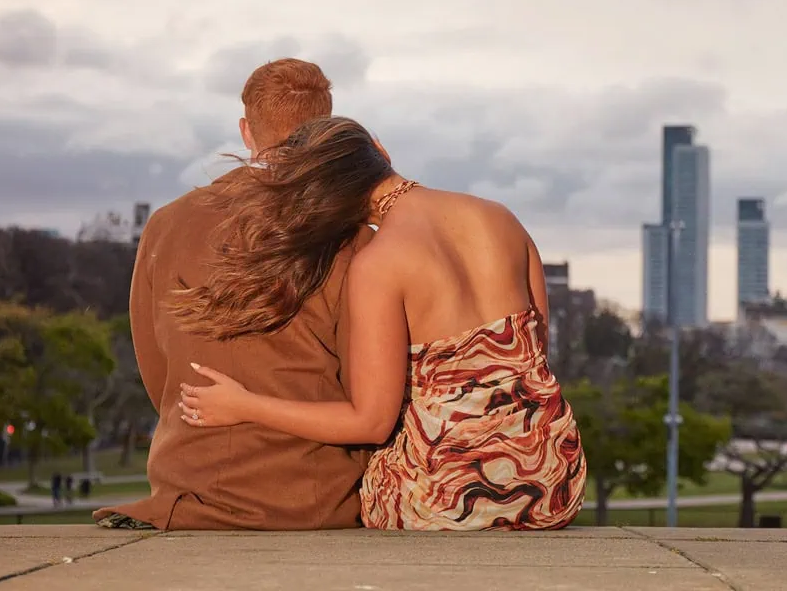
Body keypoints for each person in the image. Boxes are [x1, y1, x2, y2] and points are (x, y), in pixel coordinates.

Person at [174, 117, 586, 531]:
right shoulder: (499, 216)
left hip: (451, 499)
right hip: (551, 481)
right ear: (379, 150)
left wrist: (244, 405)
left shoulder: (378, 265)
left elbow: (371, 423)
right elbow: (535, 359)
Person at [94, 59, 369, 530]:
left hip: (189, 487)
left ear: (246, 131)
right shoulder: (348, 230)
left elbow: (157, 369)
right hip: (315, 498)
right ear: (326, 131)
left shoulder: (166, 225)